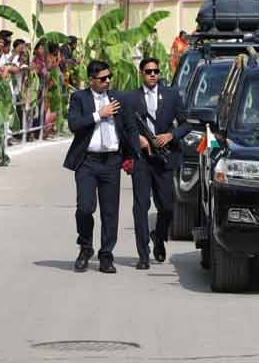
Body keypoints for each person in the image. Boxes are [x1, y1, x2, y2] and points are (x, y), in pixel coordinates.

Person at [124, 56, 189, 269]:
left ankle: (158, 237)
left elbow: (186, 123)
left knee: (167, 207)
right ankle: (143, 255)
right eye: (148, 71)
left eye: (156, 71)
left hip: (164, 159)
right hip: (142, 160)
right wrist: (138, 140)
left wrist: (171, 136)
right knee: (141, 207)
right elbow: (124, 128)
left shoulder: (171, 95)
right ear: (141, 74)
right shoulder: (131, 98)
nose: (153, 75)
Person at [64, 60, 126, 274]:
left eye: (109, 77)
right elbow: (74, 124)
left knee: (110, 212)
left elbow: (127, 127)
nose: (107, 81)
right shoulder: (80, 98)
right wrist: (99, 114)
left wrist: (130, 154)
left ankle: (106, 255)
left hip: (111, 162)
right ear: (91, 80)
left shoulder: (117, 99)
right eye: (102, 78)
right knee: (84, 207)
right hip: (87, 162)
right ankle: (85, 247)